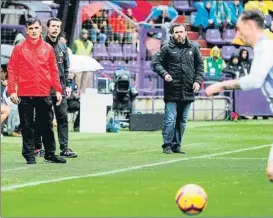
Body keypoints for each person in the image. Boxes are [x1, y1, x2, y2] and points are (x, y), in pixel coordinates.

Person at [205, 10, 273, 182]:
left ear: (250, 25)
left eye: (239, 28)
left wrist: (221, 84)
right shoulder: (262, 48)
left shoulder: (266, 48)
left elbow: (255, 81)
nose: (238, 34)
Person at [7, 18, 66, 164]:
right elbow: (12, 70)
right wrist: (12, 91)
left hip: (43, 92)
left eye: (36, 28)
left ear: (41, 29)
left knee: (47, 124)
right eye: (31, 28)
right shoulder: (19, 48)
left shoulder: (48, 48)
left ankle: (50, 154)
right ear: (27, 30)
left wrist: (58, 89)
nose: (33, 31)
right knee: (27, 125)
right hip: (24, 93)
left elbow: (53, 70)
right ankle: (29, 155)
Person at [152, 23, 204, 154]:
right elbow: (156, 63)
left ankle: (177, 145)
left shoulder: (194, 47)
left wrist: (197, 81)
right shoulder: (166, 48)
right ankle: (167, 145)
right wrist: (165, 74)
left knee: (182, 120)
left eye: (181, 32)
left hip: (188, 90)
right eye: (176, 32)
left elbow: (200, 66)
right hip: (172, 90)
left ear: (186, 33)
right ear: (172, 34)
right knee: (170, 119)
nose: (179, 34)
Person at [34, 17, 77, 158]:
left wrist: (68, 85)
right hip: (43, 89)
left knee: (63, 118)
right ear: (47, 27)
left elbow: (66, 69)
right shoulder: (39, 46)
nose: (56, 29)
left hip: (60, 88)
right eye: (53, 26)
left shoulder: (63, 47)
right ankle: (38, 148)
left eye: (58, 27)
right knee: (42, 119)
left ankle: (64, 148)